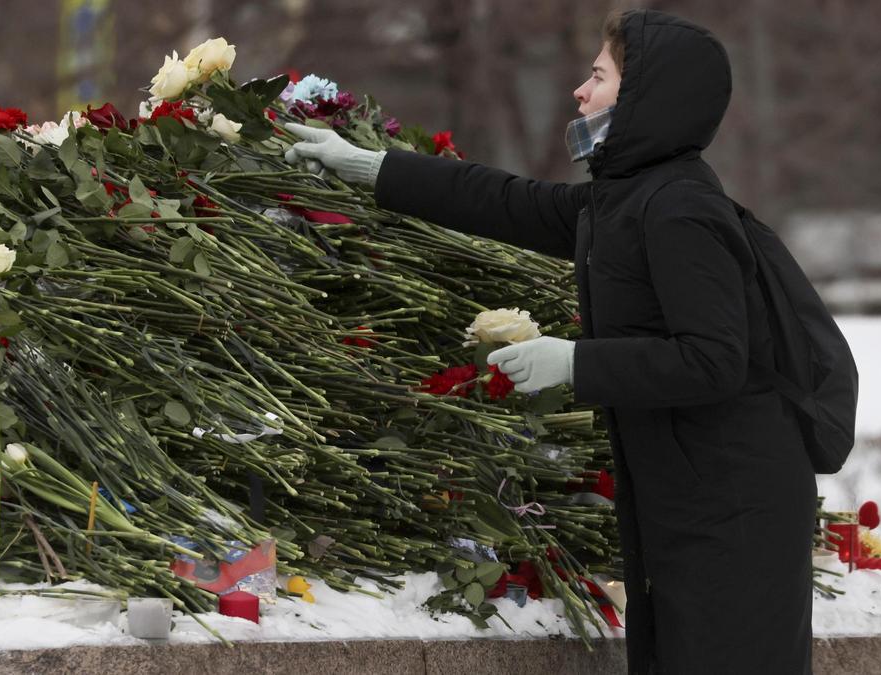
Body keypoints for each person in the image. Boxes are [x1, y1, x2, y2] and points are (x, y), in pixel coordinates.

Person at [285, 8, 817, 675]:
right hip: (691, 497)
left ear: (645, 97)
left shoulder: (680, 209)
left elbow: (713, 358)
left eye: (597, 76)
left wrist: (574, 361)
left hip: (734, 513)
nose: (579, 91)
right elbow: (504, 201)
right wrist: (368, 166)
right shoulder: (622, 200)